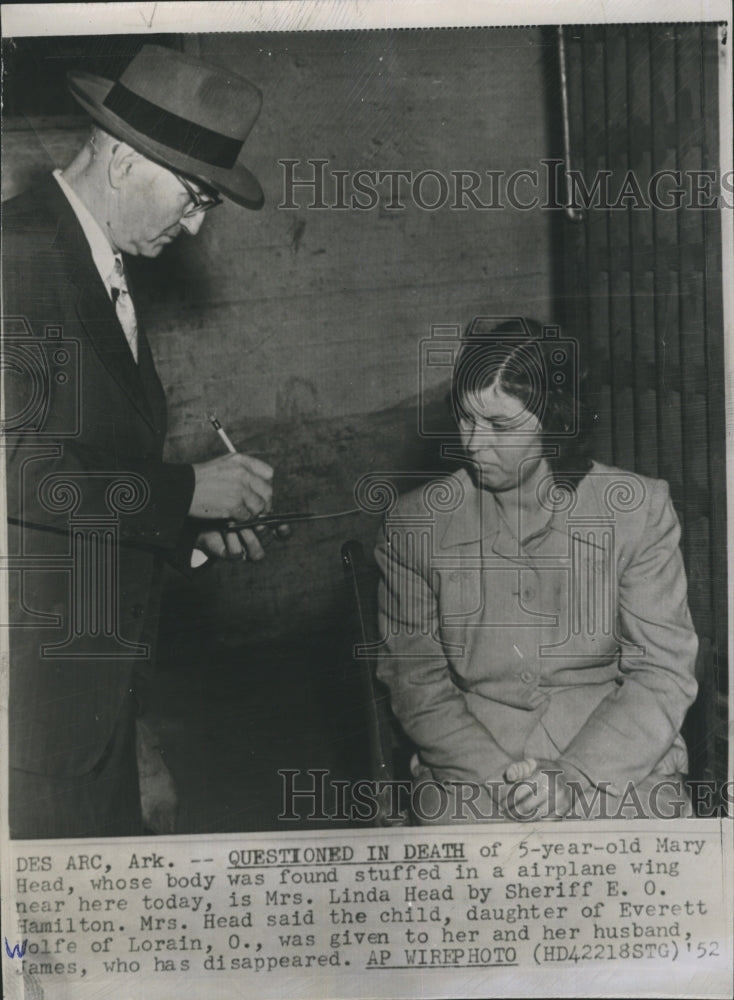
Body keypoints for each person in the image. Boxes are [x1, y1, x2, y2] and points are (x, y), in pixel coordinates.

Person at [2, 45, 281, 838]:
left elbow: (86, 461)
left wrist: (187, 525)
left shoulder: (97, 263)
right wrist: (187, 490)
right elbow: (16, 468)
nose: (194, 226)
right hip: (32, 703)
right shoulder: (16, 256)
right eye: (193, 197)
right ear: (124, 163)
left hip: (88, 695)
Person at [375, 318, 698, 822]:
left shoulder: (637, 511)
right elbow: (417, 682)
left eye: (500, 426)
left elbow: (662, 671)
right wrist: (497, 778)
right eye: (465, 418)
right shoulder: (416, 523)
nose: (474, 444)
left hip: (615, 757)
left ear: (555, 422)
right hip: (474, 763)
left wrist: (575, 774)